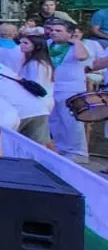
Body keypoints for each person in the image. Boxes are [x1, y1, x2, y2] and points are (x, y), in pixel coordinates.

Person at [45, 19, 103, 163]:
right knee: (54, 120)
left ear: (70, 33)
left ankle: (78, 152)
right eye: (52, 30)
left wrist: (76, 41)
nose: (53, 33)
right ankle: (61, 148)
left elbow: (81, 57)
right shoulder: (48, 44)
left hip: (71, 88)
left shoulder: (80, 46)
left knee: (71, 121)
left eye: (58, 31)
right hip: (52, 86)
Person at [17, 35, 56, 146]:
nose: (21, 45)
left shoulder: (36, 64)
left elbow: (36, 85)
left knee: (40, 137)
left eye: (26, 43)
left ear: (36, 46)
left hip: (38, 101)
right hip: (43, 101)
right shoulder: (39, 62)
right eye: (21, 42)